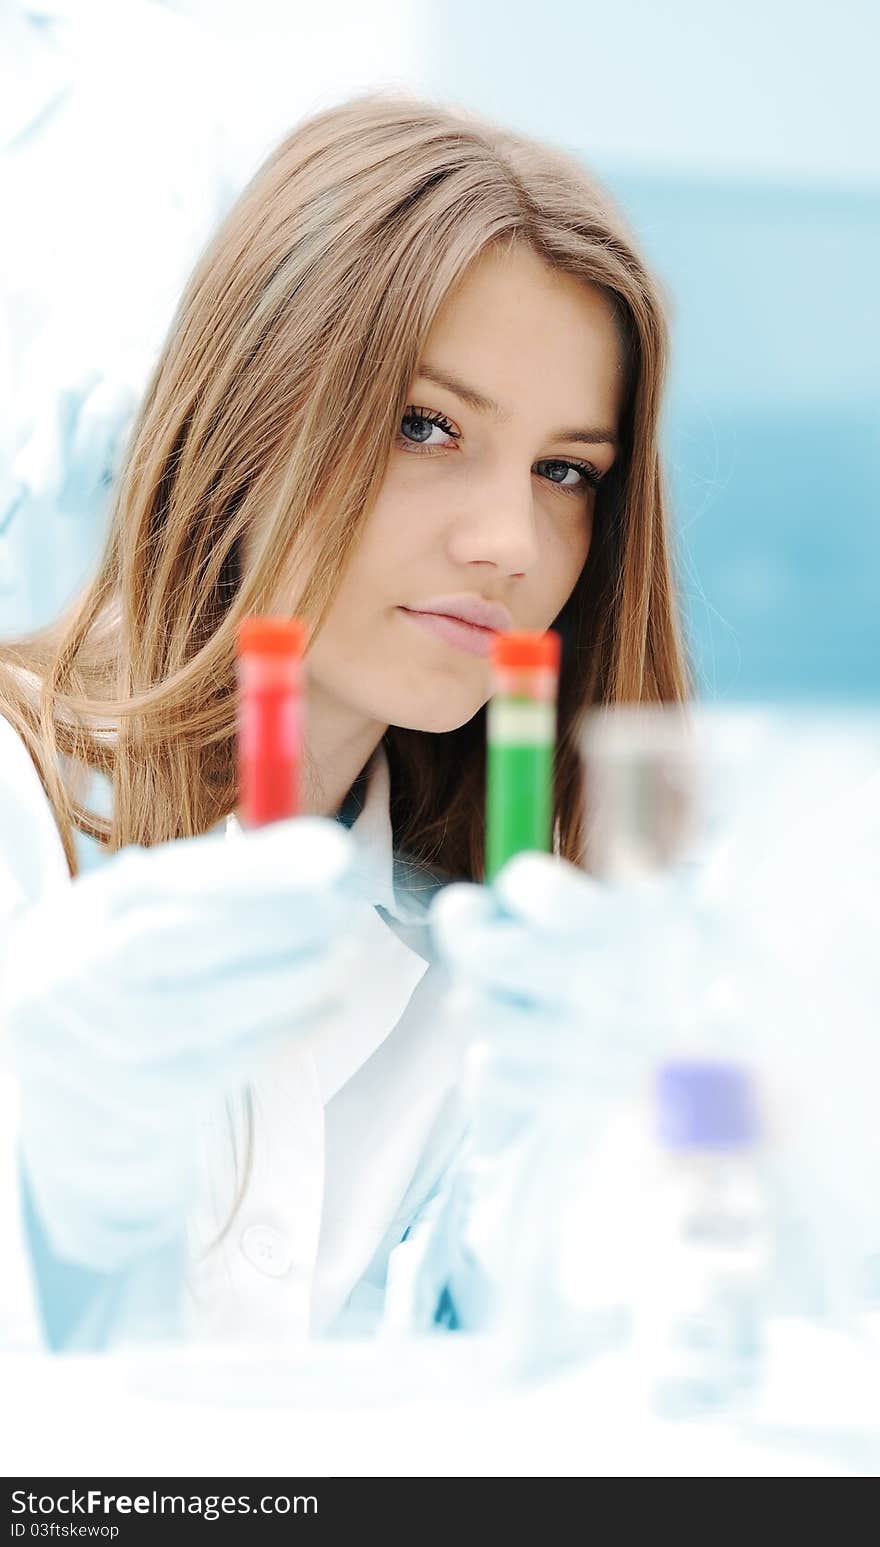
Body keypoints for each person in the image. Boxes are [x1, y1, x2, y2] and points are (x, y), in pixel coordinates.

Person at [0, 90, 690, 1353]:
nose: (508, 546)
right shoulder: (17, 806)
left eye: (565, 471)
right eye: (425, 425)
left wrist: (563, 1252)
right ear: (251, 415)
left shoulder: (484, 949)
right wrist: (51, 1189)